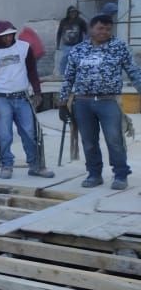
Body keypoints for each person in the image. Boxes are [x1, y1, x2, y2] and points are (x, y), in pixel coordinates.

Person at [58, 13, 141, 190]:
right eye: (100, 28)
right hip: (82, 102)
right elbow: (68, 77)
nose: (105, 32)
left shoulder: (120, 47)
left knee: (114, 139)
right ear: (91, 29)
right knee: (89, 141)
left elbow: (134, 72)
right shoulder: (78, 50)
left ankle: (120, 175)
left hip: (108, 101)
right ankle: (94, 174)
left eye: (108, 29)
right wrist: (62, 101)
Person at [0, 20, 54, 180]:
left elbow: (32, 72)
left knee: (29, 132)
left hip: (22, 97)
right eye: (3, 36)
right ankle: (7, 165)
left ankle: (35, 165)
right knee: (5, 134)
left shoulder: (24, 48)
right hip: (2, 99)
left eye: (10, 35)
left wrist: (38, 92)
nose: (8, 38)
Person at [55, 6, 87, 79]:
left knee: (77, 60)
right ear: (68, 13)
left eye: (75, 12)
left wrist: (86, 43)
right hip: (66, 44)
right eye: (71, 12)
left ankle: (78, 74)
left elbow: (86, 32)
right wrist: (58, 44)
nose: (73, 14)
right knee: (64, 59)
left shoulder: (80, 21)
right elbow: (59, 32)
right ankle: (62, 74)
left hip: (78, 44)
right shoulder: (63, 21)